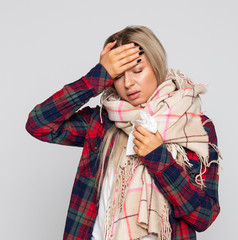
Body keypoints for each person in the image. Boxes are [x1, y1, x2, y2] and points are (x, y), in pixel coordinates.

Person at [26, 25, 221, 240]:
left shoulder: (194, 126)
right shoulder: (102, 122)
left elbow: (204, 216)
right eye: (118, 76)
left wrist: (159, 158)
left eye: (138, 71)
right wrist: (98, 76)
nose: (128, 83)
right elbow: (39, 124)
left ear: (157, 66)